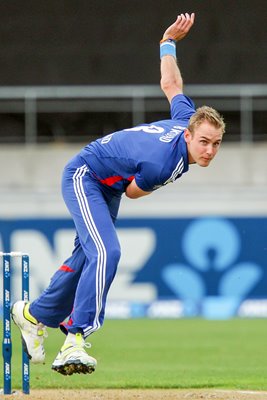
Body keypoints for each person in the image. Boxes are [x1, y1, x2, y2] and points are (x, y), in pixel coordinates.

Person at [11, 12, 225, 376]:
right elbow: (134, 192)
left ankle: (32, 315)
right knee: (107, 250)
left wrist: (167, 43)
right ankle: (76, 337)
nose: (209, 150)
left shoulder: (183, 119)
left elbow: (171, 85)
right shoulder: (165, 164)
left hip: (106, 184)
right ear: (188, 136)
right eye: (204, 142)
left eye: (216, 144)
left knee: (86, 257)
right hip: (85, 175)